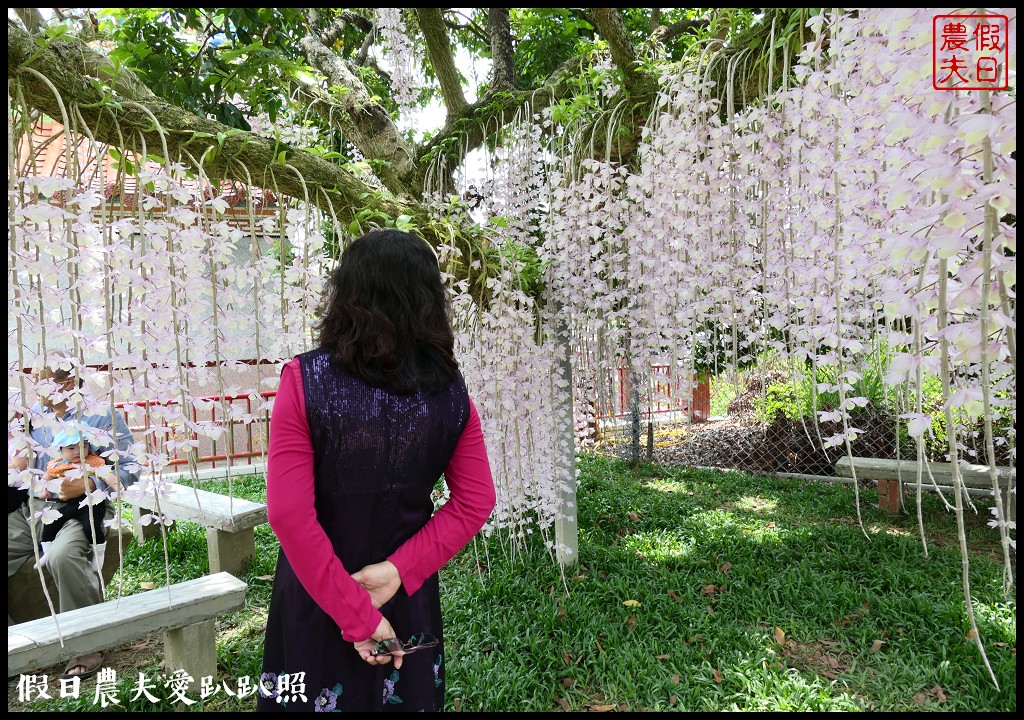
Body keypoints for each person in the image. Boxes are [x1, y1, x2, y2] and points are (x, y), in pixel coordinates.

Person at [258, 230, 496, 712]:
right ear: (430, 301)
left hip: (316, 591)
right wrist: (399, 571)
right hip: (403, 592)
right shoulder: (451, 393)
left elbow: (289, 516)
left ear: (345, 295)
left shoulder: (304, 381)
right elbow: (476, 501)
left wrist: (355, 613)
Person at [8, 362, 141, 680]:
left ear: (68, 384)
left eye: (42, 385)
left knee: (63, 555)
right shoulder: (34, 418)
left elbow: (131, 466)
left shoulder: (102, 416)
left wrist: (91, 483)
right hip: (34, 508)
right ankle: (14, 645)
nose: (37, 393)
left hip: (82, 507)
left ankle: (87, 643)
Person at [37, 429, 110, 572]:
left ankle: (99, 552)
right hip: (69, 504)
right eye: (71, 448)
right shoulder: (58, 465)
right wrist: (43, 489)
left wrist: (115, 485)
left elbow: (108, 475)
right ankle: (47, 551)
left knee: (91, 525)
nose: (78, 452)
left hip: (92, 503)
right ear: (61, 450)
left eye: (83, 446)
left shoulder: (93, 462)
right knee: (51, 522)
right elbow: (46, 477)